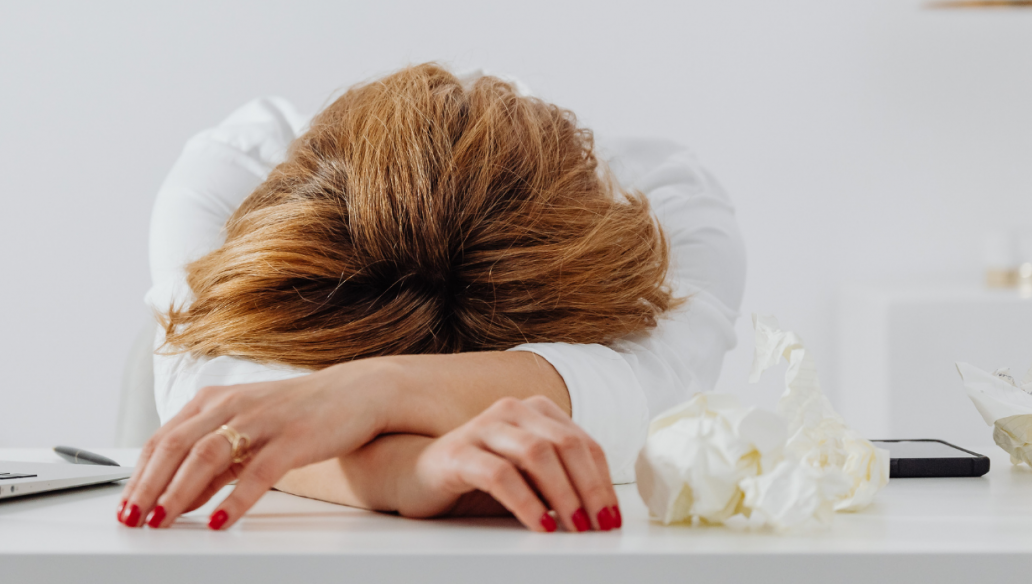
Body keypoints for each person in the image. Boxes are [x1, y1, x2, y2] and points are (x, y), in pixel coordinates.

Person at [117, 64, 745, 533]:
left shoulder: (671, 207)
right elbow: (227, 404)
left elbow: (650, 395)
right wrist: (407, 470)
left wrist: (371, 391)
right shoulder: (235, 166)